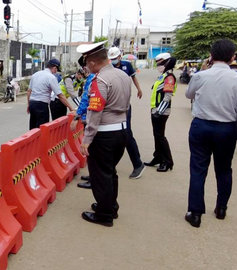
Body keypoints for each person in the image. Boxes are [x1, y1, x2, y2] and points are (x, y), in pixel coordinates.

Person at [184, 39, 237, 228]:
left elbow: (188, 94)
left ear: (211, 56)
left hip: (201, 126)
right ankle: (221, 208)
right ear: (233, 58)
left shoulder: (201, 76)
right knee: (224, 169)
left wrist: (205, 68)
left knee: (198, 169)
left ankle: (195, 213)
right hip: (227, 130)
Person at [72, 41, 131, 227]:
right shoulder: (123, 75)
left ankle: (104, 215)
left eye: (86, 64)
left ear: (91, 63)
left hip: (104, 135)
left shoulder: (100, 80)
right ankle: (110, 206)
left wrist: (87, 139)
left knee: (100, 175)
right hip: (121, 131)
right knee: (110, 172)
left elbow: (95, 112)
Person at [108, 47, 145, 179]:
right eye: (110, 59)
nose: (112, 61)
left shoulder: (126, 65)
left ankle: (138, 164)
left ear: (120, 57)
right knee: (114, 136)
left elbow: (133, 78)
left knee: (127, 135)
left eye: (115, 58)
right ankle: (108, 168)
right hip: (113, 106)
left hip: (123, 106)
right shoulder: (108, 68)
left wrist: (139, 89)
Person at [144, 53, 176, 172]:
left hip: (161, 111)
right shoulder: (163, 76)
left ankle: (167, 162)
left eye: (160, 63)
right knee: (157, 136)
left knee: (160, 137)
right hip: (156, 109)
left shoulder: (169, 77)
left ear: (167, 63)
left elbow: (167, 96)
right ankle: (158, 157)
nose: (158, 65)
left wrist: (159, 111)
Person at [27, 59, 75, 129]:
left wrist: (29, 105)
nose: (56, 72)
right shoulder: (51, 77)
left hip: (32, 103)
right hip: (42, 105)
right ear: (54, 68)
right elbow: (60, 95)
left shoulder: (35, 74)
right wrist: (71, 108)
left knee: (33, 128)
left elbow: (29, 91)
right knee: (42, 129)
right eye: (56, 70)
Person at [72, 64, 95, 189]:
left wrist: (77, 116)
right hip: (94, 118)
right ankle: (93, 176)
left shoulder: (92, 78)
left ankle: (94, 179)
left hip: (91, 118)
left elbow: (85, 99)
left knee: (92, 150)